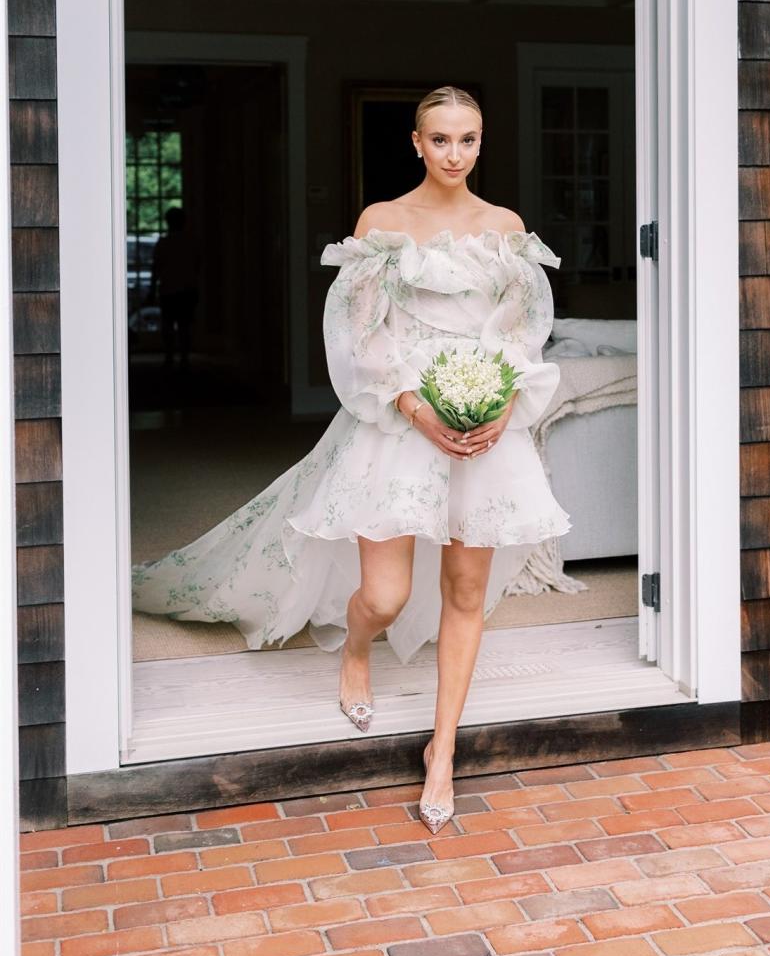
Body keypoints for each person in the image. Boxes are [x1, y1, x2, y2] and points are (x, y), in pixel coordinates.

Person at [132, 84, 572, 834]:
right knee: (388, 593)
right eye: (441, 140)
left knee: (467, 594)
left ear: (481, 140)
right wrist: (415, 404)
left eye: (468, 139)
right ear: (415, 143)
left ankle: (443, 751)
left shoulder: (505, 228)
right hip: (401, 422)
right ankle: (357, 647)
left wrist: (499, 402)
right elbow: (360, 334)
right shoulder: (383, 224)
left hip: (482, 428)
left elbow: (520, 331)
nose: (455, 154)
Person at [149, 206, 201, 373]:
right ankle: (183, 358)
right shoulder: (192, 242)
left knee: (168, 325)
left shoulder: (163, 243)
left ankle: (170, 356)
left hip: (169, 288)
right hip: (187, 288)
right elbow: (198, 265)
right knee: (184, 325)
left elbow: (156, 268)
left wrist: (152, 289)